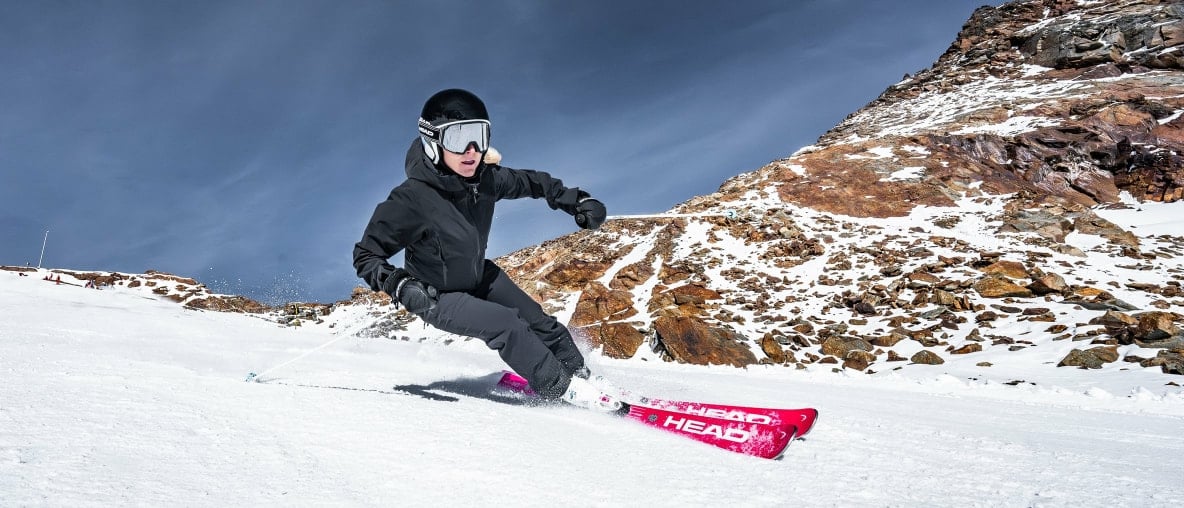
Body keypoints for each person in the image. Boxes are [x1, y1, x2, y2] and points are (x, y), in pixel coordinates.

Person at [353, 89, 621, 412]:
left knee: (537, 319)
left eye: (478, 136)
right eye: (457, 139)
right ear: (432, 142)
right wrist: (400, 285)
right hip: (437, 295)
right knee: (507, 324)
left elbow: (533, 183)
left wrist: (575, 200)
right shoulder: (412, 199)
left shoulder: (485, 180)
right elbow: (366, 254)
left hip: (479, 275)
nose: (471, 151)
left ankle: (580, 373)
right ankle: (561, 388)